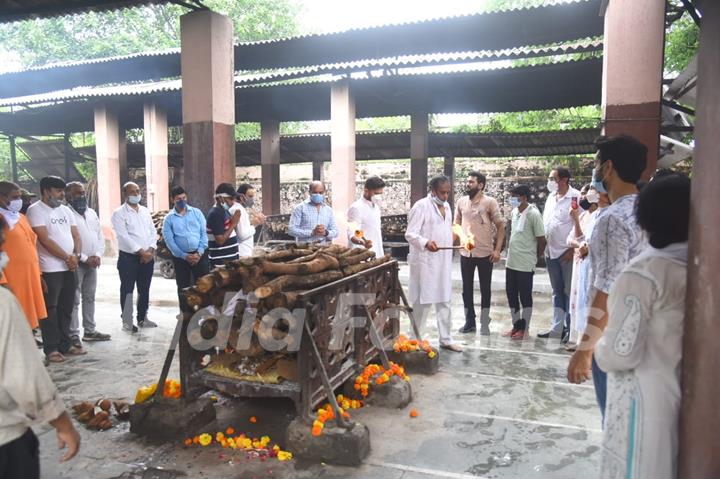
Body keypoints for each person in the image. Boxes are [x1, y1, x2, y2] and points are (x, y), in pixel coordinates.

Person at [595, 174, 690, 479]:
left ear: (645, 219)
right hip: (676, 390)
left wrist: (595, 348)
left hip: (644, 400)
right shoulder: (695, 263)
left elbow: (622, 353)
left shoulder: (643, 273)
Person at [566, 135, 649, 422]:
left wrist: (585, 349)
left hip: (615, 339)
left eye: (598, 164)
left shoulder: (612, 218)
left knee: (616, 424)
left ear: (609, 167)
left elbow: (607, 286)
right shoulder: (647, 210)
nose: (597, 170)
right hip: (645, 333)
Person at [0, 214, 81, 478]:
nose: (5, 254)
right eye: (1, 245)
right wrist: (62, 422)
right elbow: (24, 375)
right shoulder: (3, 304)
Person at [27, 176, 85, 363]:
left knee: (66, 307)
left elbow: (76, 235)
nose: (61, 194)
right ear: (45, 191)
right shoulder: (35, 211)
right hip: (50, 268)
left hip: (70, 266)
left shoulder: (65, 210)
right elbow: (44, 239)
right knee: (50, 309)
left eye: (62, 190)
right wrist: (67, 257)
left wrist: (76, 255)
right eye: (57, 190)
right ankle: (51, 348)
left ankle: (65, 344)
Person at [405, 175, 462, 353]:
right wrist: (426, 242)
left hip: (443, 262)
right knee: (423, 302)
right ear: (433, 190)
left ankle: (446, 339)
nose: (445, 196)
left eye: (448, 193)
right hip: (425, 263)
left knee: (444, 300)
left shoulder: (447, 206)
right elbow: (410, 234)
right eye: (442, 192)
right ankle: (414, 339)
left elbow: (447, 229)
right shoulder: (421, 206)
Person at [454, 171, 506, 335]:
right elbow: (456, 224)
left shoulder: (489, 202)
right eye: (467, 181)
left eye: (471, 182)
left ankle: (484, 322)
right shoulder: (461, 202)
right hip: (465, 253)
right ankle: (470, 322)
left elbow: (501, 227)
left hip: (485, 253)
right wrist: (453, 243)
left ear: (481, 185)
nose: (468, 184)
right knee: (466, 289)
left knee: (485, 289)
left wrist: (497, 250)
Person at [538, 166, 581, 342]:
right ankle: (557, 328)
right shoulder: (550, 198)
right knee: (557, 292)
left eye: (552, 178)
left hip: (566, 253)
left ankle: (570, 330)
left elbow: (581, 224)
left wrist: (572, 249)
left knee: (569, 292)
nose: (550, 182)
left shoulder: (576, 197)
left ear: (564, 180)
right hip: (551, 251)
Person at [66, 182, 110, 346]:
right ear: (69, 195)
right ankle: (73, 334)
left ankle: (90, 331)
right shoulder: (67, 214)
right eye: (78, 193)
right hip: (77, 262)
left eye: (83, 193)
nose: (82, 196)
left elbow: (99, 236)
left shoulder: (91, 213)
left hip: (93, 262)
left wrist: (98, 255)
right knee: (74, 299)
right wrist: (84, 258)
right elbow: (68, 240)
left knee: (89, 297)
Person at [0, 181, 47, 335]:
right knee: (12, 321)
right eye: (15, 197)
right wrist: (3, 282)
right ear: (1, 198)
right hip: (11, 278)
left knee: (28, 319)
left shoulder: (20, 217)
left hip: (30, 276)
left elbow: (32, 246)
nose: (19, 201)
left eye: (20, 197)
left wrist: (39, 275)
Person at [111, 182, 158, 333]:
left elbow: (152, 231)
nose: (136, 194)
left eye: (137, 191)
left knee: (144, 289)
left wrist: (150, 250)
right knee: (127, 290)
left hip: (147, 257)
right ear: (125, 193)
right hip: (128, 259)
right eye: (132, 192)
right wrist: (141, 252)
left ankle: (142, 318)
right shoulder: (119, 213)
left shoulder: (144, 211)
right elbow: (123, 236)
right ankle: (127, 321)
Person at [503, 185, 546, 339]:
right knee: (512, 296)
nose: (513, 200)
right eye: (512, 196)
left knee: (525, 297)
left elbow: (542, 240)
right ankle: (516, 326)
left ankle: (525, 329)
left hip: (525, 264)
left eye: (516, 197)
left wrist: (534, 257)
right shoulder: (514, 212)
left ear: (525, 198)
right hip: (511, 262)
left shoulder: (534, 214)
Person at [162, 186, 210, 312]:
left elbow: (204, 234)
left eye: (184, 198)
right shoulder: (169, 219)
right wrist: (184, 255)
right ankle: (185, 315)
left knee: (203, 285)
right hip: (181, 258)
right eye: (178, 199)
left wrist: (199, 252)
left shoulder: (197, 213)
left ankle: (203, 313)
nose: (182, 201)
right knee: (183, 287)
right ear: (173, 200)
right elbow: (169, 241)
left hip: (200, 255)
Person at [565, 184, 599, 349]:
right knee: (577, 300)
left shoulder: (598, 216)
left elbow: (585, 239)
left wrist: (576, 221)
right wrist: (578, 245)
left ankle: (587, 343)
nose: (582, 198)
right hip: (579, 262)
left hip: (590, 264)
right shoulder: (584, 214)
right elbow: (571, 239)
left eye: (586, 195)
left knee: (588, 301)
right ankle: (577, 339)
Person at [347, 176, 385, 257]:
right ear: (366, 190)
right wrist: (363, 242)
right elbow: (354, 231)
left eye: (380, 194)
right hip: (362, 253)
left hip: (377, 251)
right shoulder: (356, 208)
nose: (378, 197)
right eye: (376, 194)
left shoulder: (376, 207)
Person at [207, 183, 241, 266]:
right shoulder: (215, 214)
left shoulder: (224, 211)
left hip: (229, 261)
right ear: (221, 198)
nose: (233, 202)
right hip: (221, 264)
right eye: (231, 199)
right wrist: (234, 223)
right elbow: (220, 240)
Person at [233, 183, 265, 257]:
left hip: (244, 252)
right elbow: (242, 235)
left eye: (253, 196)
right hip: (242, 253)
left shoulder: (241, 209)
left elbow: (241, 228)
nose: (252, 199)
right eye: (250, 196)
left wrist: (251, 223)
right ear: (242, 197)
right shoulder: (238, 210)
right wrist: (254, 224)